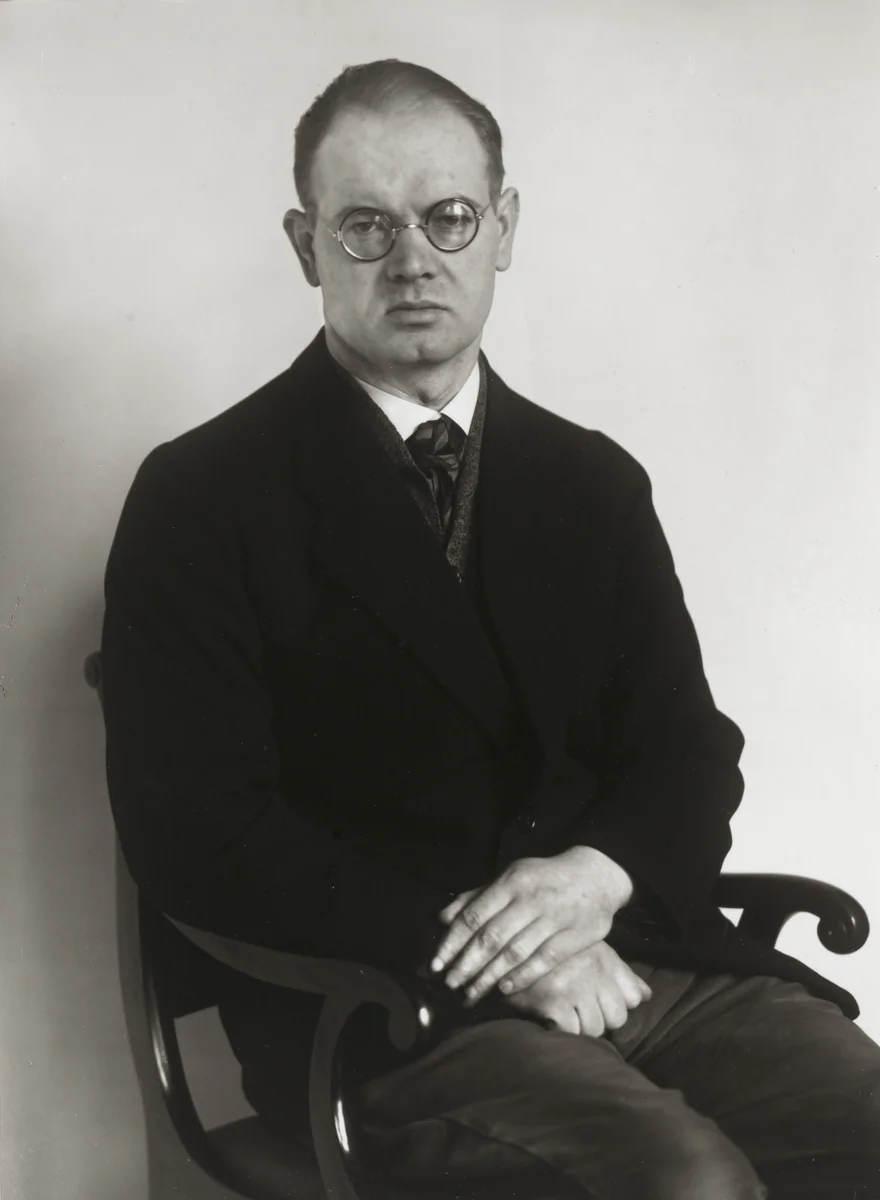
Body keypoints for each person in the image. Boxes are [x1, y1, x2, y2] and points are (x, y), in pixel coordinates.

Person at [101, 59, 880, 1199]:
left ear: (500, 229)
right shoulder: (201, 496)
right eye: (364, 225)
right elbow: (198, 826)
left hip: (632, 964)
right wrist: (486, 948)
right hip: (383, 1012)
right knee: (685, 1182)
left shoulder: (590, 482)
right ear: (302, 243)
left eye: (447, 217)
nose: (412, 259)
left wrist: (591, 880)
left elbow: (684, 751)